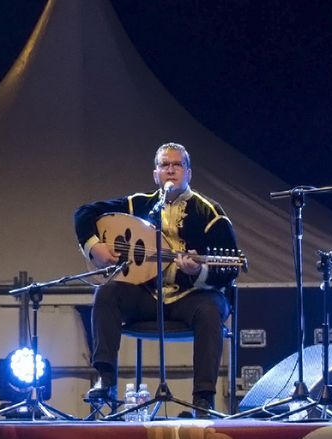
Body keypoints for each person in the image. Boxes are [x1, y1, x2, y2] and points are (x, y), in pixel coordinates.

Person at [74, 142, 241, 415]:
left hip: (192, 296)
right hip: (148, 296)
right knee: (106, 293)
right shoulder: (139, 204)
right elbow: (83, 213)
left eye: (177, 165)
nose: (171, 170)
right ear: (156, 174)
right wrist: (95, 247)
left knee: (211, 310)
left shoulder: (210, 212)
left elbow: (231, 268)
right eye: (165, 165)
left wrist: (197, 271)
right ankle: (105, 379)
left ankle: (203, 398)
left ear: (188, 172)